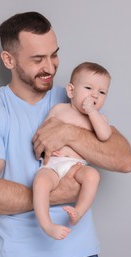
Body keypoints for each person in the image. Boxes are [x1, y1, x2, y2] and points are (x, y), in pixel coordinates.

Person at [0, 11, 131, 257]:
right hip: (17, 255)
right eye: (37, 59)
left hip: (81, 253)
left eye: (54, 54)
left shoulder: (75, 97)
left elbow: (123, 159)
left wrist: (68, 132)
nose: (50, 66)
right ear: (9, 60)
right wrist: (58, 193)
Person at [33, 62, 112, 240]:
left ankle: (79, 211)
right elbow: (42, 135)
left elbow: (105, 135)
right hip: (53, 164)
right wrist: (49, 151)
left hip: (77, 167)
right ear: (71, 91)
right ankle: (46, 224)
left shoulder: (99, 119)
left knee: (93, 176)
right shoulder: (59, 110)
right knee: (40, 182)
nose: (94, 95)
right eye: (89, 88)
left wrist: (92, 112)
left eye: (102, 92)